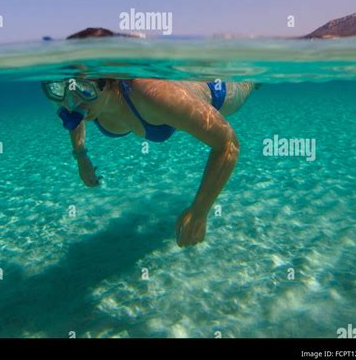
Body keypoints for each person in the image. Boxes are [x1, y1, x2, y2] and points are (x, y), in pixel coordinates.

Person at [42, 28, 258, 248]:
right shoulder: (85, 101)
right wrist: (80, 155)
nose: (71, 102)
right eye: (62, 89)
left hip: (215, 90)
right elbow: (75, 113)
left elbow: (228, 144)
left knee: (249, 84)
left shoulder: (151, 96)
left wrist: (200, 211)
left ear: (111, 82)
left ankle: (252, 69)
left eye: (84, 90)